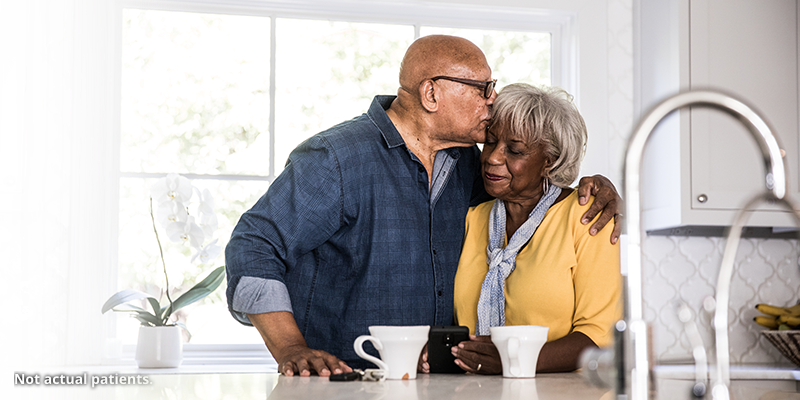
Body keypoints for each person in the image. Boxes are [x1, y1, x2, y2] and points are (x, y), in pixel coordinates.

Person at [225, 35, 622, 377]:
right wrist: (290, 348)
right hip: (346, 383)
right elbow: (254, 246)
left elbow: (533, 192)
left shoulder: (467, 163)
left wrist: (599, 188)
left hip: (440, 386)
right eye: (482, 87)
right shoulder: (337, 157)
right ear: (431, 93)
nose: (492, 98)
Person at [448, 83, 621, 374]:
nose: (492, 157)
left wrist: (513, 359)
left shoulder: (588, 215)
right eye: (489, 142)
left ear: (549, 161)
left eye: (514, 151)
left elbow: (600, 335)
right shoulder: (475, 217)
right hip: (474, 389)